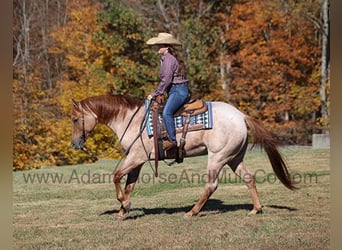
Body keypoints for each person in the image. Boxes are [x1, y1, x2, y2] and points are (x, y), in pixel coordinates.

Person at [146, 32, 190, 150]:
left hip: (178, 91)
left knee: (166, 113)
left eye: (159, 45)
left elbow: (166, 80)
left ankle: (173, 141)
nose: (157, 47)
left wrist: (154, 94)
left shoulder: (169, 59)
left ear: (166, 47)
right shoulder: (167, 58)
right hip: (176, 90)